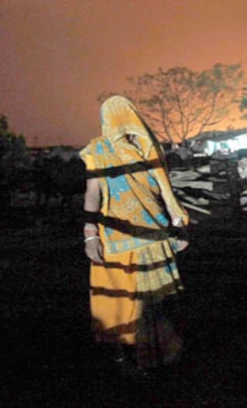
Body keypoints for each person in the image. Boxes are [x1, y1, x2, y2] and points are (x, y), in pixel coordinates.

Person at [79, 95, 191, 375]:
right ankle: (131, 358)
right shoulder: (100, 150)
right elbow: (93, 193)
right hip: (122, 239)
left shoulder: (145, 151)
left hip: (146, 238)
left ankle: (149, 359)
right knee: (127, 303)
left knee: (143, 303)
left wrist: (178, 224)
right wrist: (90, 234)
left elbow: (165, 192)